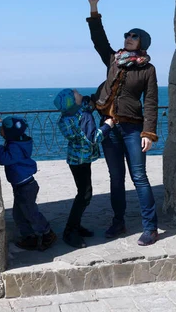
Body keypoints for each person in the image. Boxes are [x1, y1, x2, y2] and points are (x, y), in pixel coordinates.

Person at [85, 0, 159, 246]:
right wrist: (94, 9)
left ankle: (151, 227)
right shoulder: (114, 60)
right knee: (116, 179)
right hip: (109, 127)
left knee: (139, 177)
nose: (128, 37)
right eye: (127, 34)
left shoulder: (147, 70)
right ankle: (119, 222)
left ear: (142, 43)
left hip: (132, 130)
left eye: (134, 36)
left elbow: (151, 102)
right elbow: (98, 40)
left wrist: (149, 133)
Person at [55, 88, 114, 248]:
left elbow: (84, 110)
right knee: (85, 194)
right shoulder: (84, 116)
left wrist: (89, 103)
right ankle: (70, 230)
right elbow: (94, 138)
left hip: (74, 158)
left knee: (83, 192)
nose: (79, 93)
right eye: (77, 94)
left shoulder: (67, 117)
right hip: (82, 160)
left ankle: (76, 225)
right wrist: (108, 125)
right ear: (73, 101)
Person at [0, 115, 57, 251]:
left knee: (31, 213)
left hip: (26, 186)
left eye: (2, 129)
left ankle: (47, 233)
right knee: (19, 214)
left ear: (10, 133)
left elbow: (4, 159)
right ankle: (29, 237)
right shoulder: (16, 142)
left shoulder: (15, 147)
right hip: (20, 185)